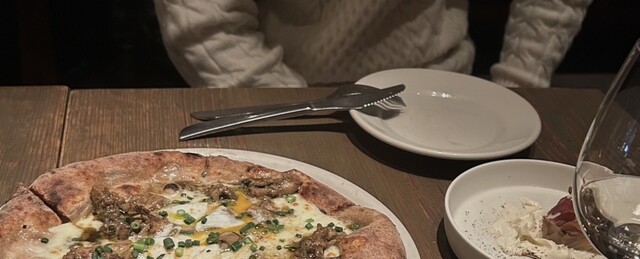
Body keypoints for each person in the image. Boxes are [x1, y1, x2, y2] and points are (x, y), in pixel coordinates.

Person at [152, 0, 593, 89]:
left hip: (441, 88)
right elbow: (204, 19)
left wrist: (521, 85)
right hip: (281, 93)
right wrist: (294, 105)